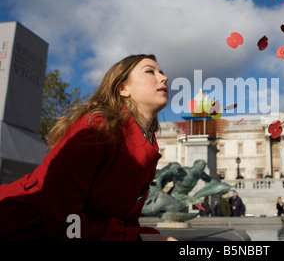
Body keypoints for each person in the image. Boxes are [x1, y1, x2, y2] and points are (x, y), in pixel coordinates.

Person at [0, 54, 176, 241]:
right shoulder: (97, 127)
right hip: (17, 225)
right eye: (151, 71)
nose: (164, 77)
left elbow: (125, 221)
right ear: (123, 88)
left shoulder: (149, 146)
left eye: (162, 73)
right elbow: (64, 221)